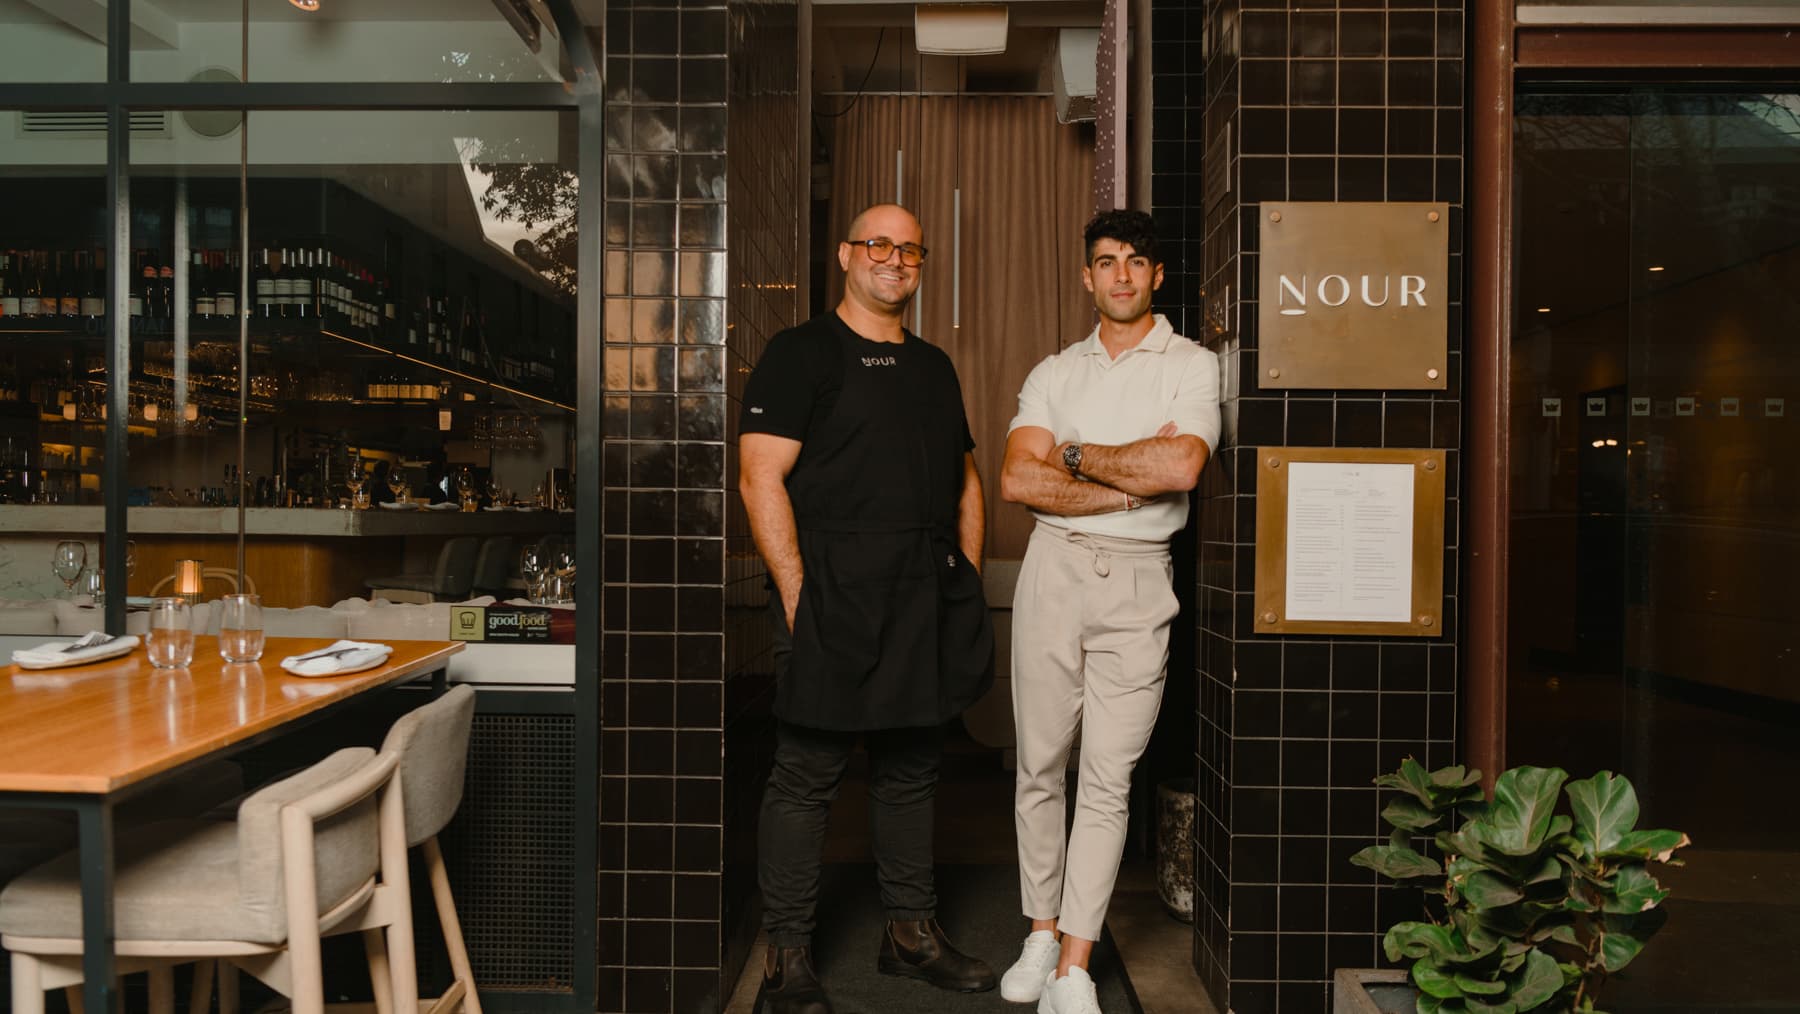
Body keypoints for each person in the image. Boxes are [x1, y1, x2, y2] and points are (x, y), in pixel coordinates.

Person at [738, 203, 998, 1014]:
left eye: (910, 248)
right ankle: (786, 954)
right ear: (848, 254)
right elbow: (759, 478)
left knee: (912, 770)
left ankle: (909, 935)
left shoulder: (933, 366)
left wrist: (963, 578)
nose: (895, 258)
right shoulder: (800, 352)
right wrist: (797, 595)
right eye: (878, 244)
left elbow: (964, 481)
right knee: (805, 776)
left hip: (922, 591)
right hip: (830, 589)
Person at [996, 209, 1220, 1014]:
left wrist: (1079, 455)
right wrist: (1131, 482)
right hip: (1052, 574)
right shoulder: (1054, 371)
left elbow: (1183, 463)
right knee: (1038, 767)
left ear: (1156, 275)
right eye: (1105, 261)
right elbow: (1019, 481)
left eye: (1135, 261)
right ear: (1086, 277)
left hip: (1139, 581)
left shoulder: (1193, 366)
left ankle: (1074, 966)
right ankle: (1039, 931)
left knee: (1108, 778)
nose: (1120, 274)